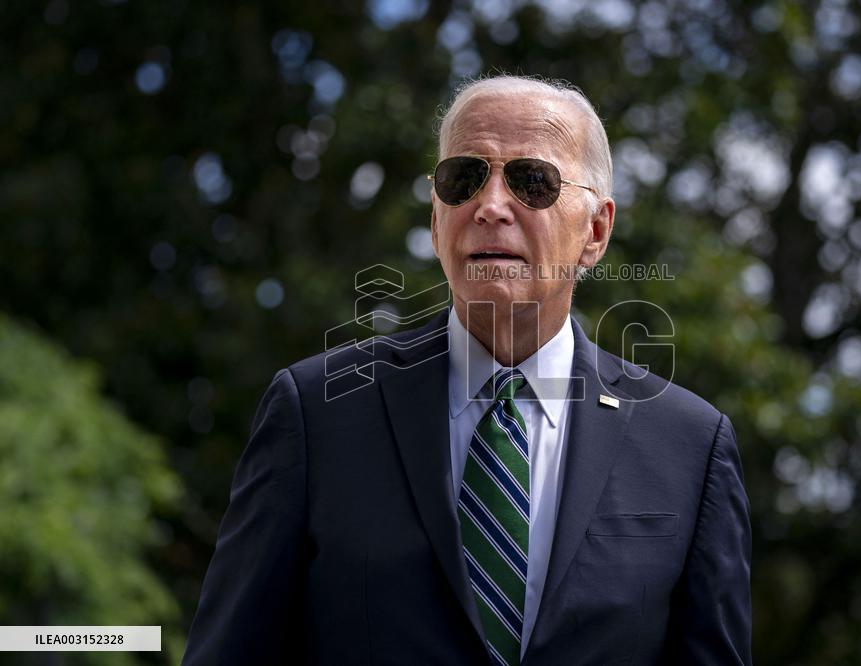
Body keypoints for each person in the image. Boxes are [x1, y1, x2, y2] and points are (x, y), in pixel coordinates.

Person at [182, 75, 752, 665]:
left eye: (533, 181)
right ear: (436, 221)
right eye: (464, 179)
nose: (490, 206)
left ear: (596, 231)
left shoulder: (689, 446)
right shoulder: (318, 411)